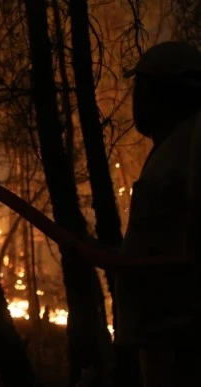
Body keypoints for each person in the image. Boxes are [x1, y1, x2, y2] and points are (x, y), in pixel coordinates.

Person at [115, 41, 201, 386]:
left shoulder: (193, 142)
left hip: (184, 337)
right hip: (164, 332)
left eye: (143, 87)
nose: (136, 97)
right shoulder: (175, 145)